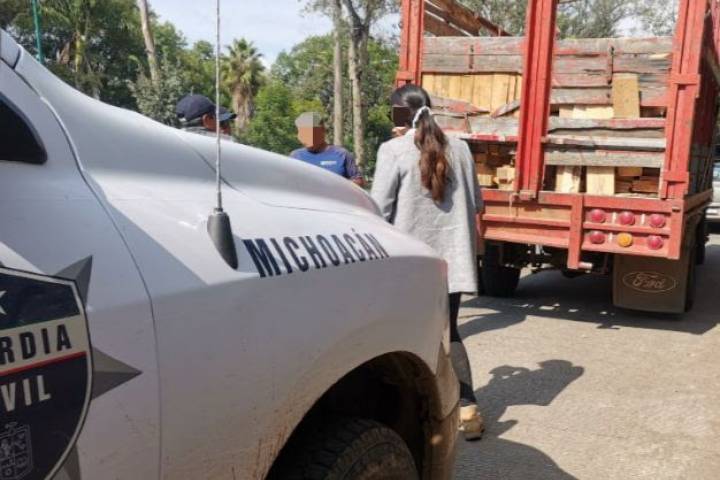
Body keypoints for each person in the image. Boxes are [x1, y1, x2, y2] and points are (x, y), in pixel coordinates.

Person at [371, 85, 484, 441]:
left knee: (402, 338)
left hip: (408, 265)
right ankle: (468, 410)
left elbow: (378, 210)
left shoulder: (392, 150)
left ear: (398, 114)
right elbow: (477, 203)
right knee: (450, 331)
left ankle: (406, 418)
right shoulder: (461, 149)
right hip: (451, 263)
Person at [290, 112, 365, 187]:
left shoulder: (342, 154)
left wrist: (335, 185)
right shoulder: (295, 156)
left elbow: (359, 181)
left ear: (322, 131)